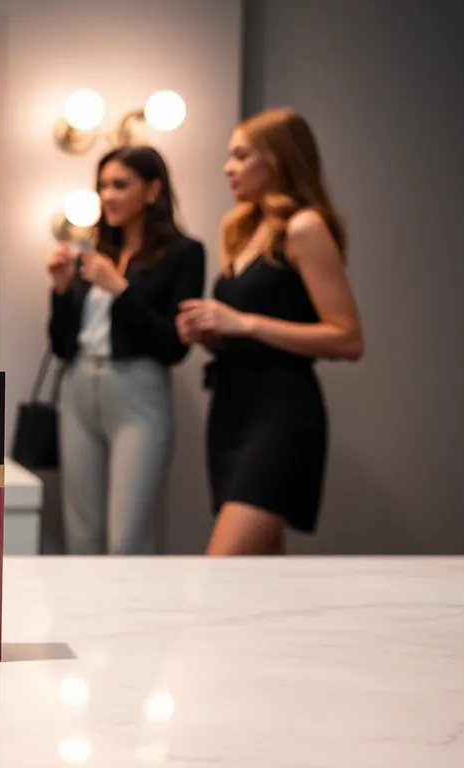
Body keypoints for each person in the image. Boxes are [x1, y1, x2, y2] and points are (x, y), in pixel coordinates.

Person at [177, 108, 363, 556]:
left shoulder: (305, 227)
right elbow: (248, 338)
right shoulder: (244, 231)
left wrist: (245, 323)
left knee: (223, 570)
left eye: (242, 156)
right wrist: (211, 334)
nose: (229, 167)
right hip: (231, 408)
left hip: (279, 411)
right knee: (260, 577)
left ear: (277, 161)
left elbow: (348, 338)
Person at [47, 146, 205, 555]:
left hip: (138, 389)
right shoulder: (97, 253)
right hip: (79, 386)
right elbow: (62, 345)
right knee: (81, 532)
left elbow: (173, 345)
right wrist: (61, 291)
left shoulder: (183, 253)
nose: (108, 195)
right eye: (102, 186)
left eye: (120, 185)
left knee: (128, 538)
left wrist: (119, 288)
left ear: (153, 190)